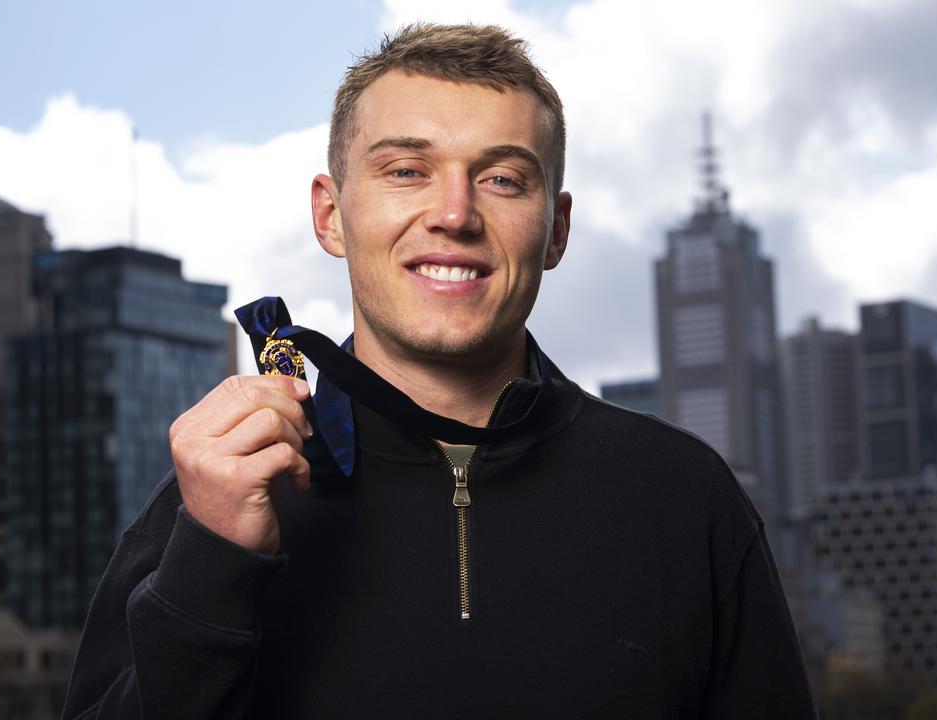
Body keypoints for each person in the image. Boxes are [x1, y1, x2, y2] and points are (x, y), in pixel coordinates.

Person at [63, 23, 816, 719]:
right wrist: (213, 563)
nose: (454, 213)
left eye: (502, 180)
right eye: (406, 170)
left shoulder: (684, 497)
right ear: (331, 215)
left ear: (554, 230)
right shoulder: (214, 498)